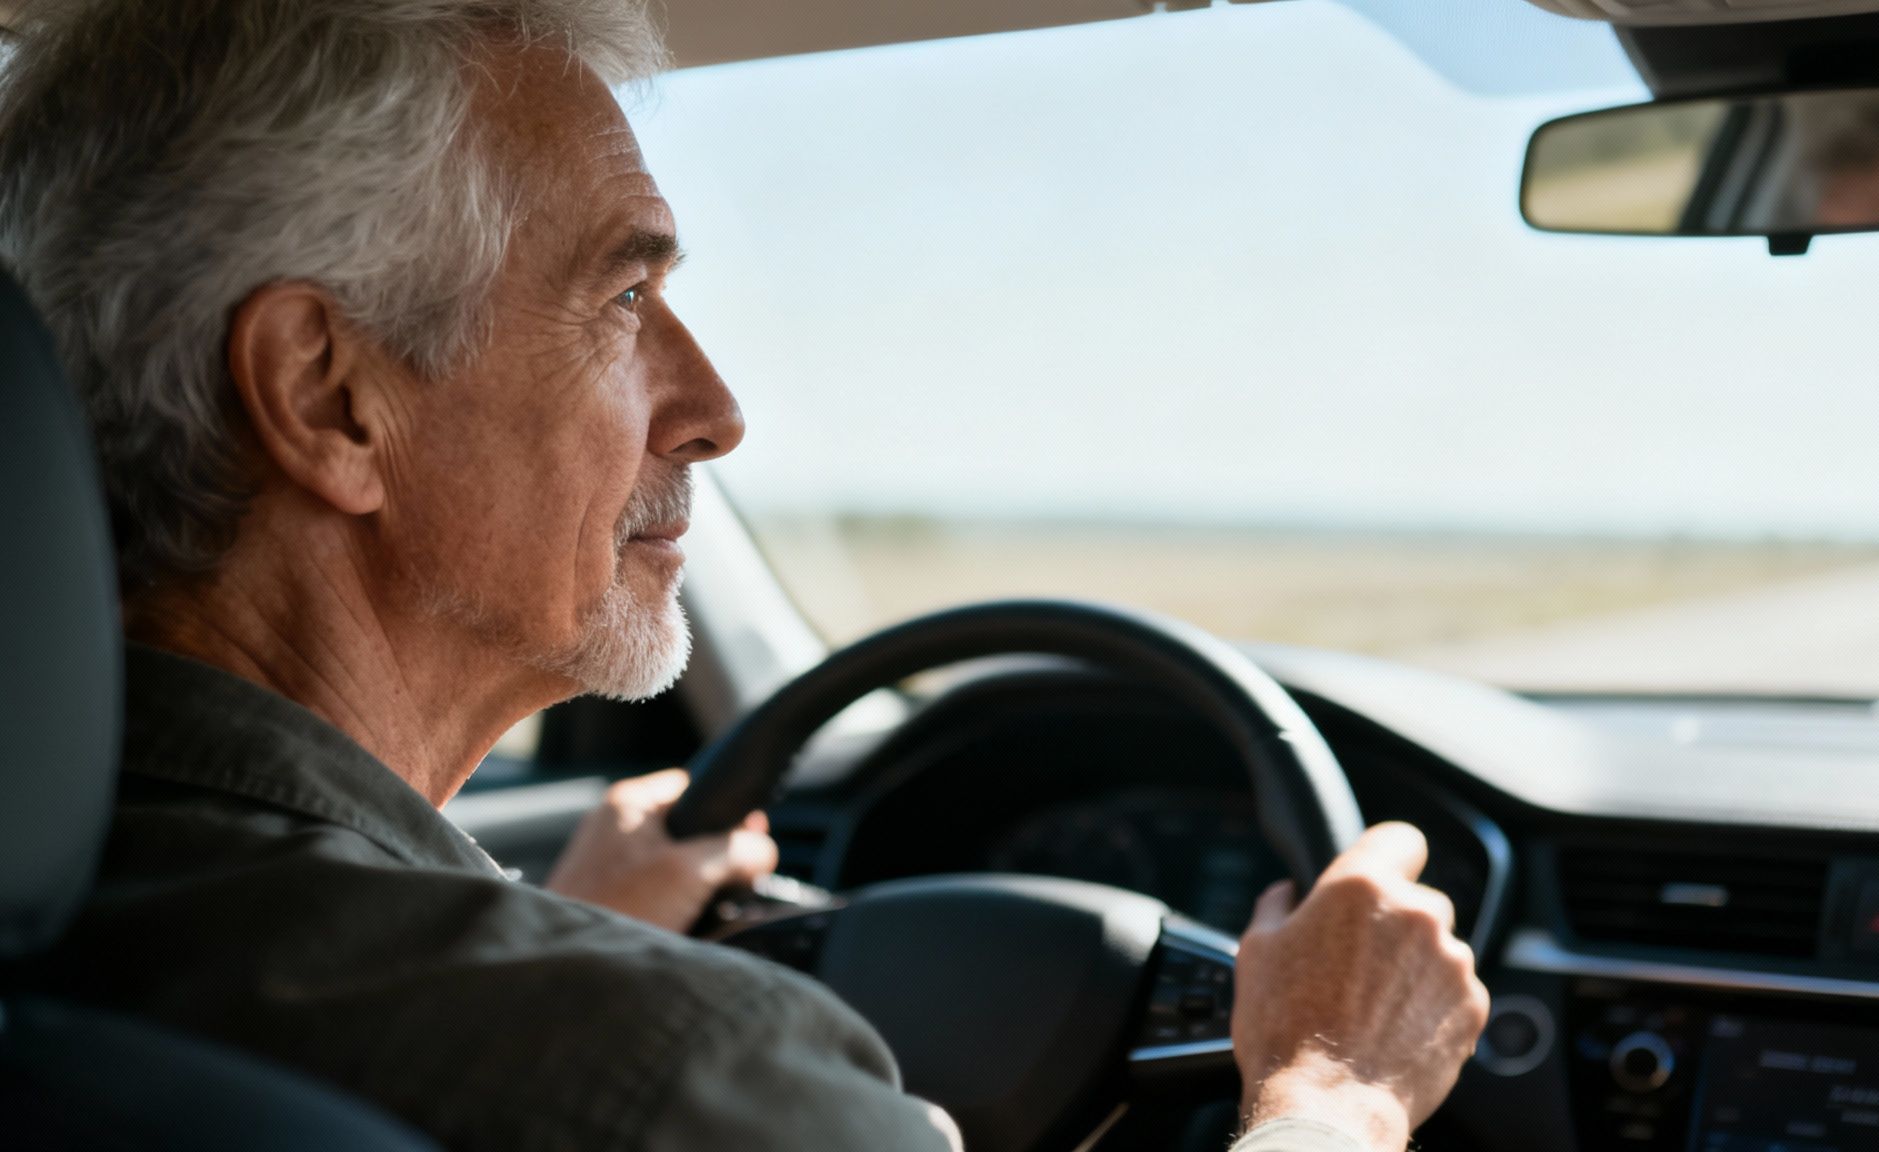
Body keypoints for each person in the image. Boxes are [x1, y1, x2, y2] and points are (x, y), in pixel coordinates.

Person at [0, 2, 1489, 1150]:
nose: (714, 406)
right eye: (626, 295)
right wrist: (1333, 1090)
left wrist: (574, 927)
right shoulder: (683, 1078)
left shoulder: (96, 924)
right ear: (330, 400)